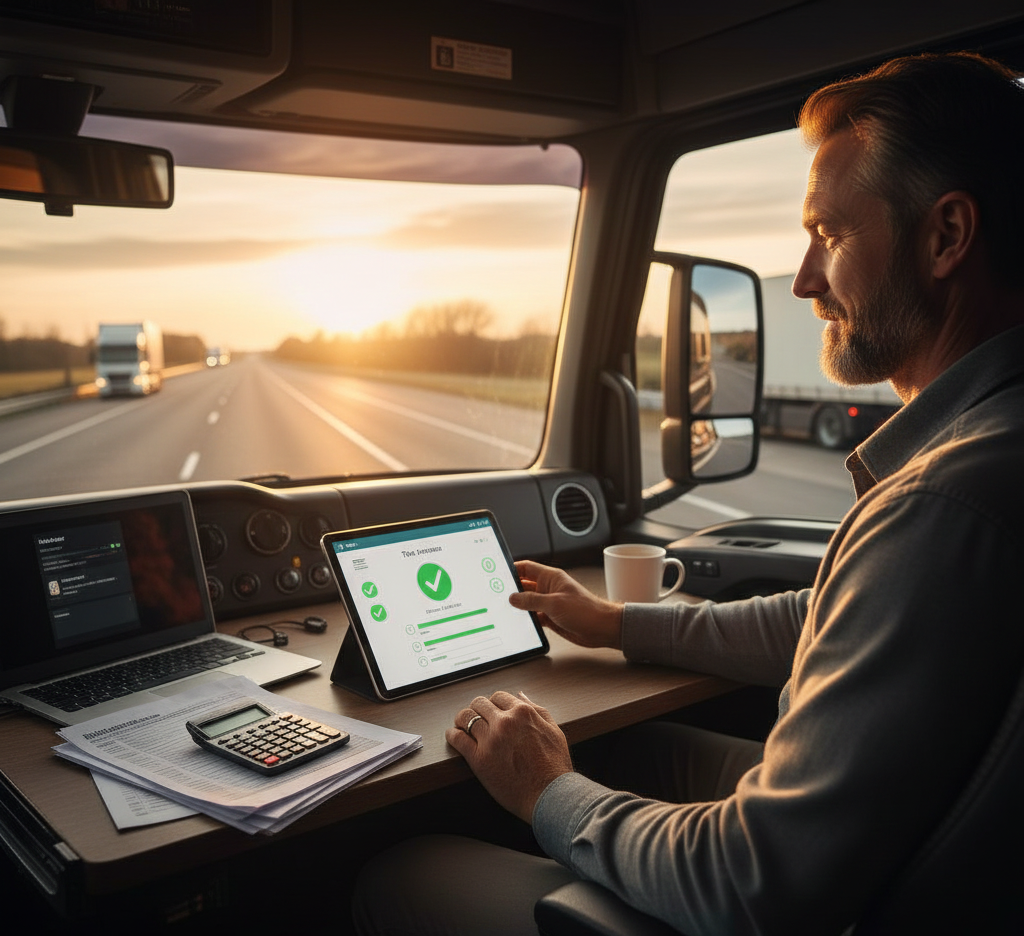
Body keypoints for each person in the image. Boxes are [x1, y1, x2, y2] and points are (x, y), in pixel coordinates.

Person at [352, 52, 1024, 935]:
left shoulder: (942, 502)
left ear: (946, 237)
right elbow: (831, 621)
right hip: (902, 859)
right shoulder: (982, 462)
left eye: (830, 234)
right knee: (625, 745)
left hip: (826, 904)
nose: (805, 281)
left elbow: (753, 884)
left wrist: (549, 792)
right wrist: (617, 624)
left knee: (402, 870)